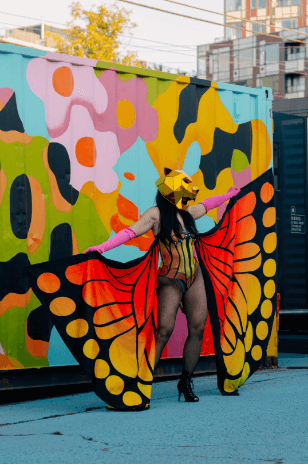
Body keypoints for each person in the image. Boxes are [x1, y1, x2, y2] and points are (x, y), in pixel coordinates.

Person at [83, 168, 240, 403]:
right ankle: (140, 384)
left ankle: (185, 381)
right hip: (170, 279)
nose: (190, 195)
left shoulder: (187, 214)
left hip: (195, 276)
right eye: (184, 190)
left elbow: (208, 204)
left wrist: (229, 194)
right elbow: (129, 232)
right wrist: (100, 249)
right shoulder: (156, 215)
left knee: (197, 328)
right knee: (163, 331)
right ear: (171, 193)